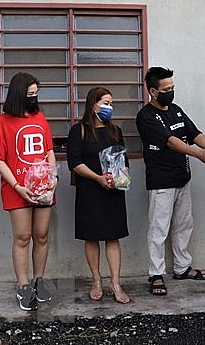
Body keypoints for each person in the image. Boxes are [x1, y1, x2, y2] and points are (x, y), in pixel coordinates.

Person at [136, 66, 205, 296]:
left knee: (184, 225)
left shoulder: (176, 110)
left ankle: (182, 267)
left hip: (182, 178)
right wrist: (199, 155)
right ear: (153, 92)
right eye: (166, 89)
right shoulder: (145, 116)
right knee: (158, 228)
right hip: (161, 181)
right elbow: (172, 141)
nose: (171, 92)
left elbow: (194, 134)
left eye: (173, 87)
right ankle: (156, 273)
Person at [0, 72, 57, 312]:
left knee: (42, 235)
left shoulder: (40, 118)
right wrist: (16, 185)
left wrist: (53, 177)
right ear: (18, 95)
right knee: (23, 237)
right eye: (30, 94)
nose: (34, 98)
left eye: (36, 94)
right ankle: (23, 285)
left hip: (43, 187)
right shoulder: (2, 122)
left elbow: (49, 150)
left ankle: (39, 280)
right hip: (17, 189)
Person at [67, 87, 131, 304]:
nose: (109, 108)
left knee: (113, 237)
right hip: (90, 191)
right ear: (92, 104)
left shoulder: (116, 131)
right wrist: (97, 178)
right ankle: (96, 280)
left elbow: (124, 161)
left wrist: (121, 178)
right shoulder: (80, 130)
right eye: (105, 103)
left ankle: (116, 283)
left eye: (111, 104)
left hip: (113, 192)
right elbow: (74, 162)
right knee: (91, 236)